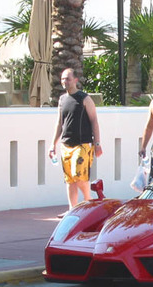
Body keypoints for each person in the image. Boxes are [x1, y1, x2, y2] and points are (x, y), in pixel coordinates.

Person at [50, 68, 103, 213]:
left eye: (67, 79)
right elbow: (59, 123)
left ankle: (88, 200)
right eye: (62, 79)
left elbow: (94, 121)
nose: (64, 82)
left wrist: (97, 143)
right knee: (70, 180)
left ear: (75, 80)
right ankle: (72, 209)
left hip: (82, 144)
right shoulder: (62, 99)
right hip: (66, 144)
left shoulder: (84, 99)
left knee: (79, 175)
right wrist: (53, 144)